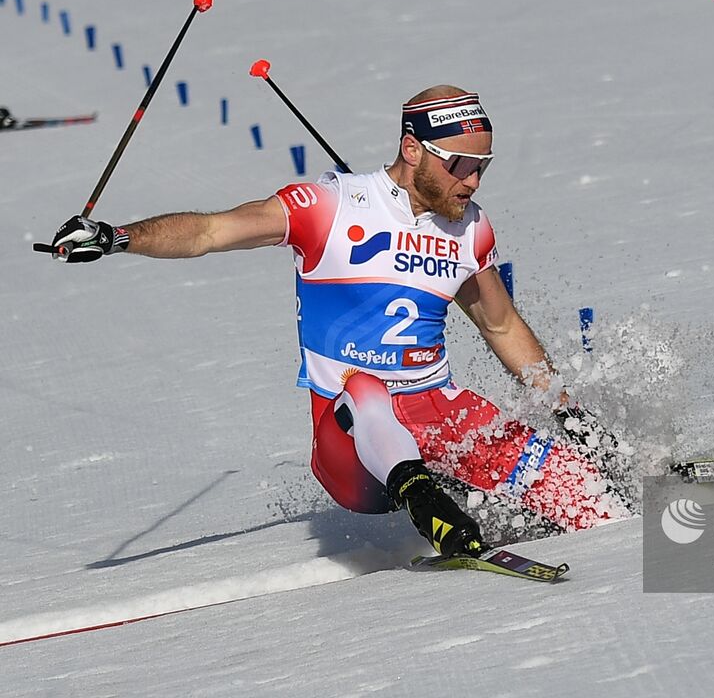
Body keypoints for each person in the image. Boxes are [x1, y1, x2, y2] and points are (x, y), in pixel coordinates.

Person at [47, 86, 626, 557]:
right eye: (461, 166)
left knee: (599, 508)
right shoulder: (327, 205)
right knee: (365, 388)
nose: (473, 181)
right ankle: (422, 494)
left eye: (483, 166)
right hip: (350, 443)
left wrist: (565, 408)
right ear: (414, 148)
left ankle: (486, 493)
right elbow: (209, 231)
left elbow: (500, 326)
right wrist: (118, 238)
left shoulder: (470, 227)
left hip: (441, 414)